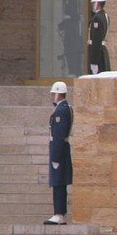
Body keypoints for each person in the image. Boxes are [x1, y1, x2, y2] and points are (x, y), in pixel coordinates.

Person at [45, 82, 73, 225]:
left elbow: (58, 136)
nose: (53, 96)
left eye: (53, 93)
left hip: (59, 151)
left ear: (58, 93)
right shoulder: (64, 108)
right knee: (59, 183)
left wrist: (55, 156)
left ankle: (59, 214)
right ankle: (59, 213)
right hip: (61, 150)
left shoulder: (61, 110)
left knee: (58, 183)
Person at [57, 0, 82, 76]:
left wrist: (64, 25)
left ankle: (74, 71)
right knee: (69, 49)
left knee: (71, 49)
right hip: (70, 25)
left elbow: (73, 14)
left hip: (72, 27)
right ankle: (72, 71)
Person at [88, 0, 111, 74]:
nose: (93, 5)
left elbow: (96, 39)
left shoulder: (97, 18)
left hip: (97, 54)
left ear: (97, 3)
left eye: (94, 3)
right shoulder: (105, 16)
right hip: (102, 52)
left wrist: (94, 61)